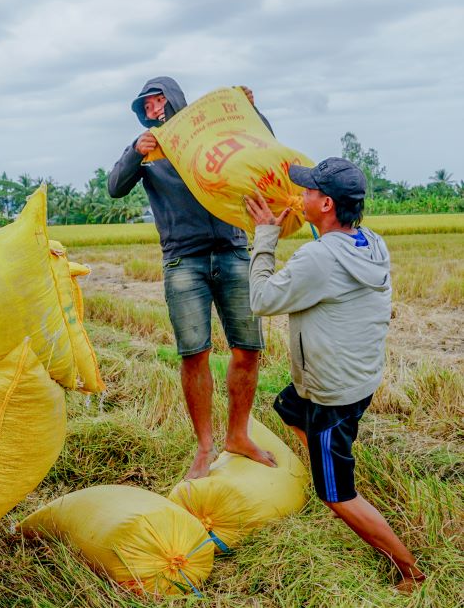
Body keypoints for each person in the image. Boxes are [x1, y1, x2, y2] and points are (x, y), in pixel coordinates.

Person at [245, 157, 425, 592]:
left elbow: (262, 299)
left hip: (333, 393)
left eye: (308, 192)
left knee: (336, 494)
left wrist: (265, 236)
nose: (300, 196)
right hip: (357, 375)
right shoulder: (369, 241)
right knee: (287, 406)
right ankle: (325, 464)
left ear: (326, 203)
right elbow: (326, 251)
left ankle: (410, 571)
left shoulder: (318, 259)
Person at [108, 76, 276, 479]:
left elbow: (263, 145)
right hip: (183, 260)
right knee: (194, 353)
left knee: (247, 348)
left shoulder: (212, 136)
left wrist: (252, 112)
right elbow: (115, 186)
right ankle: (205, 446)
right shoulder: (148, 150)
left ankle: (238, 435)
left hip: (233, 251)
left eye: (157, 99)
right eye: (145, 105)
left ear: (175, 99)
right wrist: (135, 151)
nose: (152, 108)